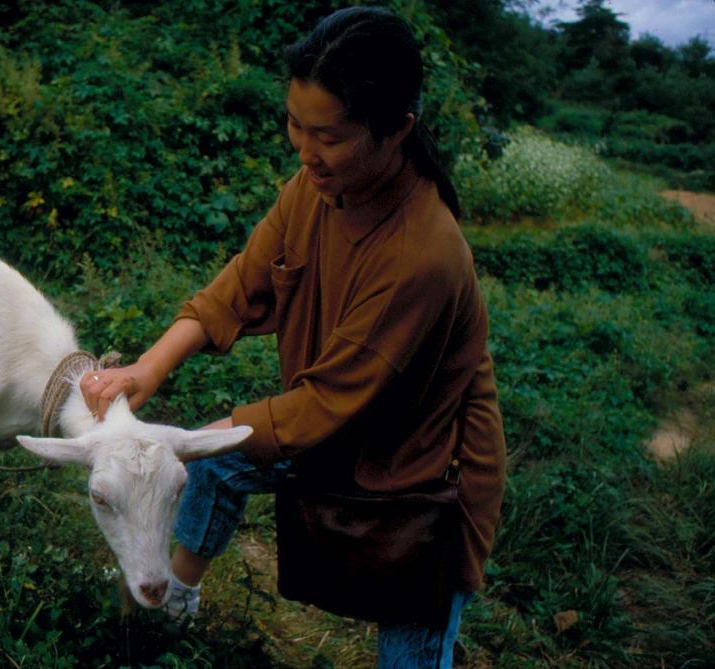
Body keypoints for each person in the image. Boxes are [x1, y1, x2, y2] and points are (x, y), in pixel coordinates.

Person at [80, 6, 506, 668]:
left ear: (396, 130)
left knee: (410, 639)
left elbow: (328, 402)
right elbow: (241, 284)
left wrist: (218, 429)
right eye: (294, 125)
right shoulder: (313, 188)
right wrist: (149, 367)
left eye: (328, 136)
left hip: (419, 470)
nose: (305, 151)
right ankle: (178, 599)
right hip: (332, 421)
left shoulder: (424, 255)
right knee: (214, 459)